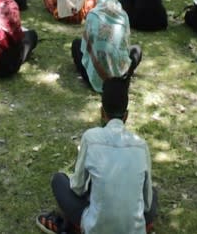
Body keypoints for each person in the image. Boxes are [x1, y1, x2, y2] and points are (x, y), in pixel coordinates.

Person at [36, 77, 157, 234]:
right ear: (126, 116)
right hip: (133, 228)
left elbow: (78, 187)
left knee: (59, 180)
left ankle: (71, 227)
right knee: (153, 192)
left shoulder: (91, 138)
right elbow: (147, 204)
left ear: (101, 112)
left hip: (96, 228)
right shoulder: (141, 145)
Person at [72, 0, 142, 93]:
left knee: (76, 44)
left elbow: (86, 46)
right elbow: (125, 44)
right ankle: (120, 76)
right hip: (118, 76)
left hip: (95, 75)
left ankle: (96, 79)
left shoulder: (92, 15)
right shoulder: (123, 15)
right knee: (137, 50)